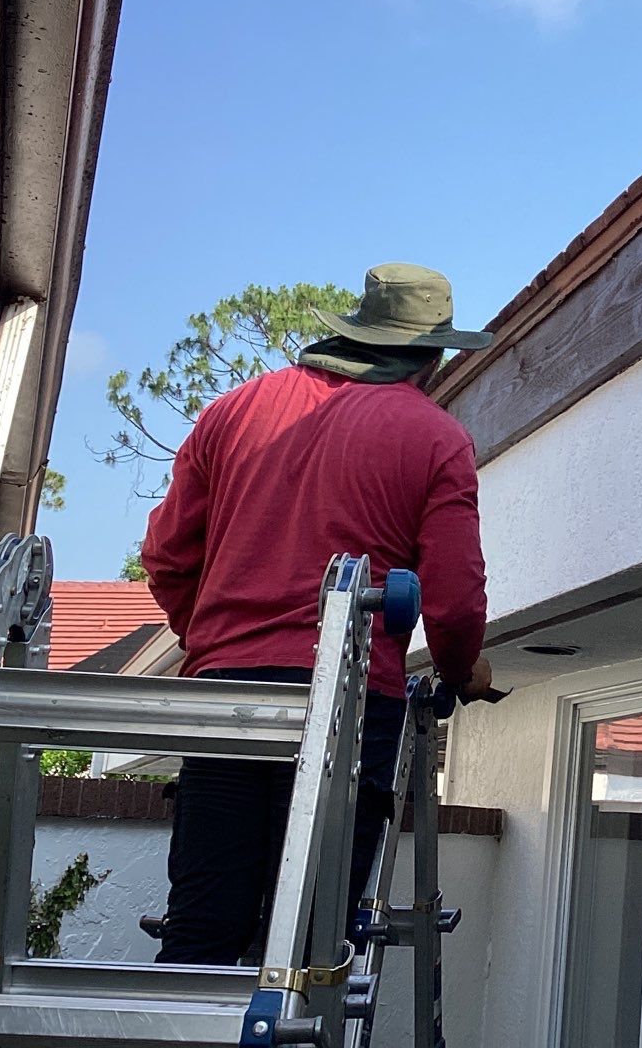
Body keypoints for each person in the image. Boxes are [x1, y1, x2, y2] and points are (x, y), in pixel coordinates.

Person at [141, 263, 493, 966]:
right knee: (308, 950)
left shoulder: (234, 409)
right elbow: (454, 602)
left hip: (227, 699)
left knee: (201, 932)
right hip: (349, 703)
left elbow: (166, 556)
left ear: (356, 331)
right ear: (431, 357)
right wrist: (463, 670)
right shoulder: (435, 437)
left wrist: (214, 642)